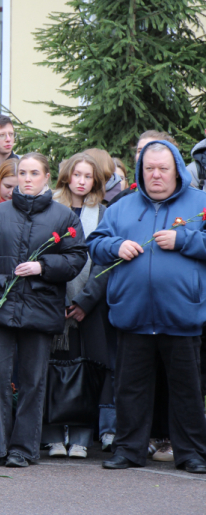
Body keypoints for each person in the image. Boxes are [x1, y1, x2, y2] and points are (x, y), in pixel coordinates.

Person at [0, 153, 87, 468]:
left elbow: (76, 258)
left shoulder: (63, 217)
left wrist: (42, 266)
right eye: (22, 173)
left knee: (33, 381)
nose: (27, 178)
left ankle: (24, 449)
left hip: (40, 307)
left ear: (47, 177)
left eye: (34, 173)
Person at [89, 140, 206, 474]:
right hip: (133, 314)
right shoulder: (121, 208)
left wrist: (183, 239)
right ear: (141, 171)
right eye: (149, 169)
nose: (156, 175)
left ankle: (192, 454)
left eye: (163, 169)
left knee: (186, 391)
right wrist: (116, 246)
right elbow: (94, 244)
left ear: (178, 170)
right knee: (131, 389)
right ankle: (128, 450)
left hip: (182, 314)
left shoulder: (200, 204)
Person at [43, 153, 110, 459]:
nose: (82, 181)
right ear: (67, 176)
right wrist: (55, 299)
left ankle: (82, 437)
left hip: (89, 307)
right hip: (52, 304)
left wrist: (85, 300)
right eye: (77, 175)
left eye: (88, 177)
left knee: (86, 369)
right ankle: (53, 436)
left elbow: (105, 262)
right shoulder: (49, 207)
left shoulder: (103, 213)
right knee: (51, 370)